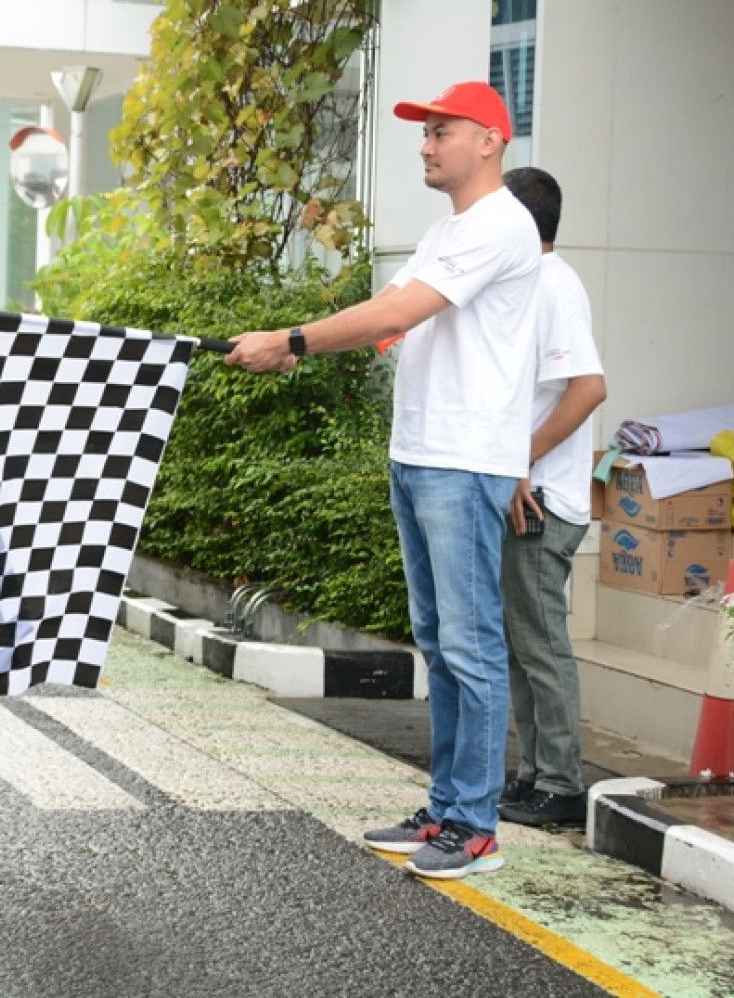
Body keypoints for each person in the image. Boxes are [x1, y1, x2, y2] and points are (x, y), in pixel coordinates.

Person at [226, 80, 540, 879]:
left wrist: (291, 339)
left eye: (442, 131)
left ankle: (474, 824)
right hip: (423, 452)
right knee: (439, 640)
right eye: (424, 133)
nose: (426, 145)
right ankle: (446, 806)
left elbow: (395, 315)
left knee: (470, 645)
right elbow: (393, 305)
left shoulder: (503, 223)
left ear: (490, 140)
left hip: (465, 459)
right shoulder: (448, 228)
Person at [496, 167, 607, 829]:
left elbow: (589, 388)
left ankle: (562, 783)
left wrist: (522, 459)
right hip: (525, 492)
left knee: (540, 642)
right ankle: (537, 773)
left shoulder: (555, 285)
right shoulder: (531, 283)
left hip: (543, 498)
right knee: (523, 641)